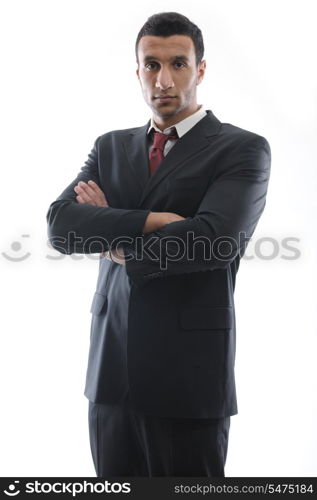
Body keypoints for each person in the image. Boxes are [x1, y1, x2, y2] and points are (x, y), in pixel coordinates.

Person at [46, 12, 271, 477]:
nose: (163, 80)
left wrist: (112, 235)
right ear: (138, 71)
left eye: (178, 64)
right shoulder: (110, 147)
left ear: (200, 69)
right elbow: (62, 226)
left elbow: (213, 241)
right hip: (110, 376)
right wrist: (155, 220)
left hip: (187, 379)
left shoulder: (241, 149)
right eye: (151, 65)